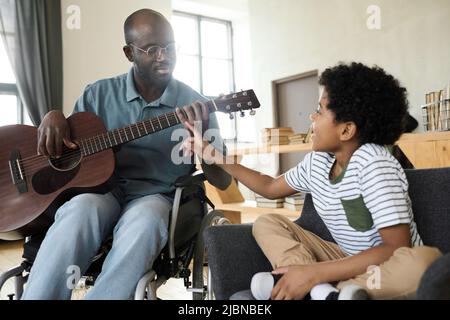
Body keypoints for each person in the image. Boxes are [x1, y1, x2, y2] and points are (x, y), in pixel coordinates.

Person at [179, 62, 443, 300]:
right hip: (343, 257)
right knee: (267, 222)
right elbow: (269, 187)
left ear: (346, 129)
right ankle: (312, 282)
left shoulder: (374, 164)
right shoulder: (319, 162)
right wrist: (212, 153)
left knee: (424, 264)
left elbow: (395, 248)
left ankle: (324, 287)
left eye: (319, 110)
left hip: (386, 265)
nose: (311, 117)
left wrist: (317, 273)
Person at [22, 8, 228, 300]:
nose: (164, 56)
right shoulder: (98, 95)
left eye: (170, 47)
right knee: (79, 210)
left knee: (145, 219)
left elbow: (222, 180)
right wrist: (54, 116)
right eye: (152, 49)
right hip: (104, 192)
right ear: (129, 53)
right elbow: (68, 153)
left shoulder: (196, 103)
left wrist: (205, 141)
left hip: (158, 196)